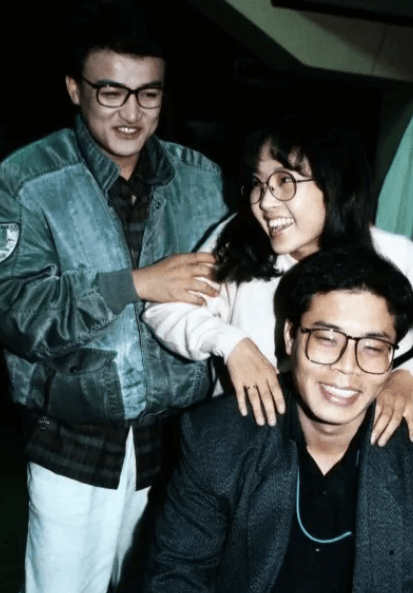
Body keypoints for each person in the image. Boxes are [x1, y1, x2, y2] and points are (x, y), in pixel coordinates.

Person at [0, 2, 228, 592]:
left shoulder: (201, 180)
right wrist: (135, 284)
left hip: (174, 439)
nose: (131, 113)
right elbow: (16, 310)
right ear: (74, 88)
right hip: (72, 436)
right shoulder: (27, 178)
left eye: (148, 94)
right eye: (111, 92)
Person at [145, 248, 413, 593]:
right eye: (326, 339)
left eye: (372, 347)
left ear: (392, 357)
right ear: (291, 336)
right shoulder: (219, 440)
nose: (346, 367)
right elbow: (176, 576)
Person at [143, 115, 413, 446]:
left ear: (332, 184)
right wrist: (231, 343)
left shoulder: (396, 257)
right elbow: (164, 310)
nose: (265, 202)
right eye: (259, 183)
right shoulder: (240, 241)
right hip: (248, 445)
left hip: (358, 448)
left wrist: (411, 376)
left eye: (285, 181)